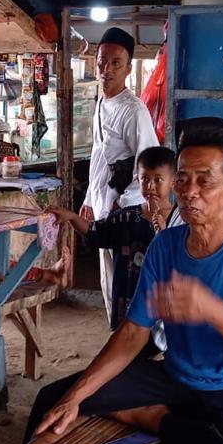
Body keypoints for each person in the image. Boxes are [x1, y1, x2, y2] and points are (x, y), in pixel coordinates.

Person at [28, 126, 223, 444]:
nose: (190, 192)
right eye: (182, 179)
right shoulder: (165, 246)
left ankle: (150, 416)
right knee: (53, 400)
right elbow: (134, 332)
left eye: (205, 181)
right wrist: (76, 397)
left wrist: (212, 310)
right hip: (175, 377)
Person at [50, 145, 177, 331]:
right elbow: (95, 232)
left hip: (163, 313)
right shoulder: (125, 217)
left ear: (173, 182)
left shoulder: (181, 221)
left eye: (158, 180)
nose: (150, 186)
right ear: (137, 180)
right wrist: (72, 217)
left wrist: (163, 234)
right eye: (145, 179)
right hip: (127, 308)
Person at [83, 27, 159, 323]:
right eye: (103, 61)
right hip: (103, 207)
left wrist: (123, 206)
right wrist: (90, 198)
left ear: (128, 68)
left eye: (116, 63)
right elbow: (98, 155)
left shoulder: (133, 111)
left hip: (126, 214)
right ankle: (114, 336)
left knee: (126, 287)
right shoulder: (102, 103)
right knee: (108, 281)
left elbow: (148, 164)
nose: (107, 68)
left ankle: (127, 341)